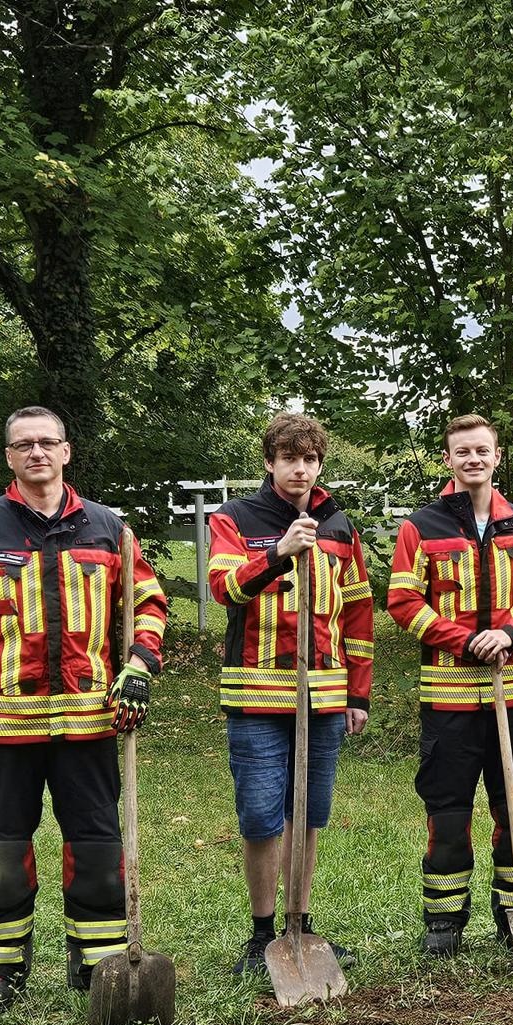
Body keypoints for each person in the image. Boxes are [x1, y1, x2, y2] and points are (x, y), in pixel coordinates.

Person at [0, 406, 167, 1015]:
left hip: (90, 721)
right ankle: (0, 969)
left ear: (66, 452)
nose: (36, 453)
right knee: (4, 849)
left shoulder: (109, 529)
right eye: (23, 445)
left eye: (47, 443)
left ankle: (100, 963)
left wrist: (138, 666)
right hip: (7, 726)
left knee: (95, 845)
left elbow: (148, 603)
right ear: (9, 457)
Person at [208, 414, 373, 976]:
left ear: (319, 464)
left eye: (310, 459)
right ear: (270, 463)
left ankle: (300, 924)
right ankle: (260, 935)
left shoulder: (338, 525)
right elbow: (224, 587)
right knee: (261, 815)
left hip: (324, 697)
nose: (300, 468)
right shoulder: (235, 518)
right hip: (257, 696)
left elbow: (357, 613)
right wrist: (278, 551)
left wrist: (359, 694)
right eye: (289, 458)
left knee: (308, 814)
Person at [387, 414, 513, 957]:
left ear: (497, 457)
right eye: (463, 452)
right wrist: (464, 640)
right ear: (448, 460)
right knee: (449, 811)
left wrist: (509, 633)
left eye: (482, 450)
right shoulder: (421, 526)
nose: (473, 459)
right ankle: (443, 922)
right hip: (449, 697)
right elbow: (403, 601)